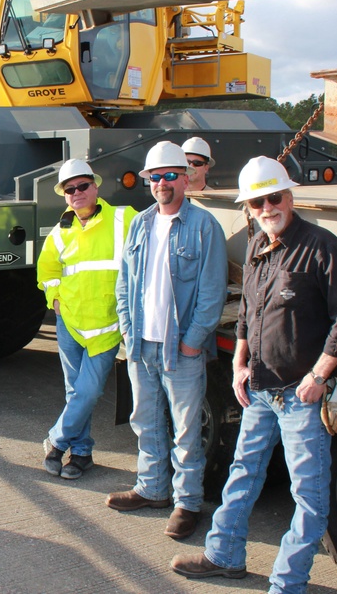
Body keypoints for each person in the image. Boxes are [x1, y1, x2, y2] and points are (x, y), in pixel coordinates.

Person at [172, 157, 337, 592]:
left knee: (309, 499)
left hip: (301, 397)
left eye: (273, 197)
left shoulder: (321, 247)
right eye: (257, 201)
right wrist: (240, 362)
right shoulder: (258, 244)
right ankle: (223, 555)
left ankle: (287, 584)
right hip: (259, 389)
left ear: (290, 196)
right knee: (243, 472)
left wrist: (318, 376)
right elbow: (246, 311)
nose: (266, 207)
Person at [105, 140, 227, 540]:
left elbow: (211, 292)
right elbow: (124, 285)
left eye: (170, 176)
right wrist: (127, 330)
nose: (162, 183)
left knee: (187, 431)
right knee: (146, 421)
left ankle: (187, 502)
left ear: (186, 179)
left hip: (181, 350)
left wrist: (192, 342)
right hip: (142, 344)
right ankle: (152, 489)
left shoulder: (204, 226)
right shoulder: (140, 224)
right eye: (155, 177)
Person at [38, 159, 137, 480]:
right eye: (70, 189)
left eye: (82, 186)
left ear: (95, 187)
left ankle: (56, 442)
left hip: (107, 327)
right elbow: (47, 269)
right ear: (64, 195)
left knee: (89, 391)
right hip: (70, 323)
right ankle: (81, 454)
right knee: (75, 392)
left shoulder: (124, 218)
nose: (77, 192)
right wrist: (53, 297)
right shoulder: (61, 230)